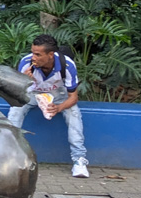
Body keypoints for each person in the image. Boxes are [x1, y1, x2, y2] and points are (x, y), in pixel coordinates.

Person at [7, 34, 89, 178]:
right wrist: (23, 80)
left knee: (74, 114)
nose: (33, 57)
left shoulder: (67, 65)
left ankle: (79, 160)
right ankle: (9, 155)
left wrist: (59, 108)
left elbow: (73, 97)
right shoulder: (26, 63)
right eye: (33, 53)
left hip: (58, 95)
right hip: (32, 94)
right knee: (15, 110)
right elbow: (16, 94)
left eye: (38, 54)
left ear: (50, 55)